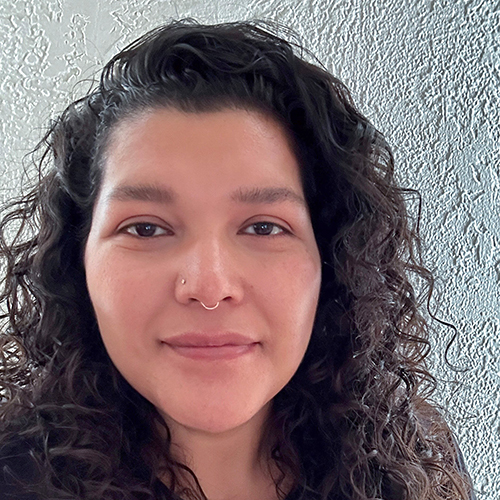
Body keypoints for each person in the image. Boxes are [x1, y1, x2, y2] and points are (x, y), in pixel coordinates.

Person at [0, 19, 475, 500]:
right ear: (76, 262)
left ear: (332, 262)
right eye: (145, 228)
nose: (209, 286)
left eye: (264, 227)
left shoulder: (414, 466)